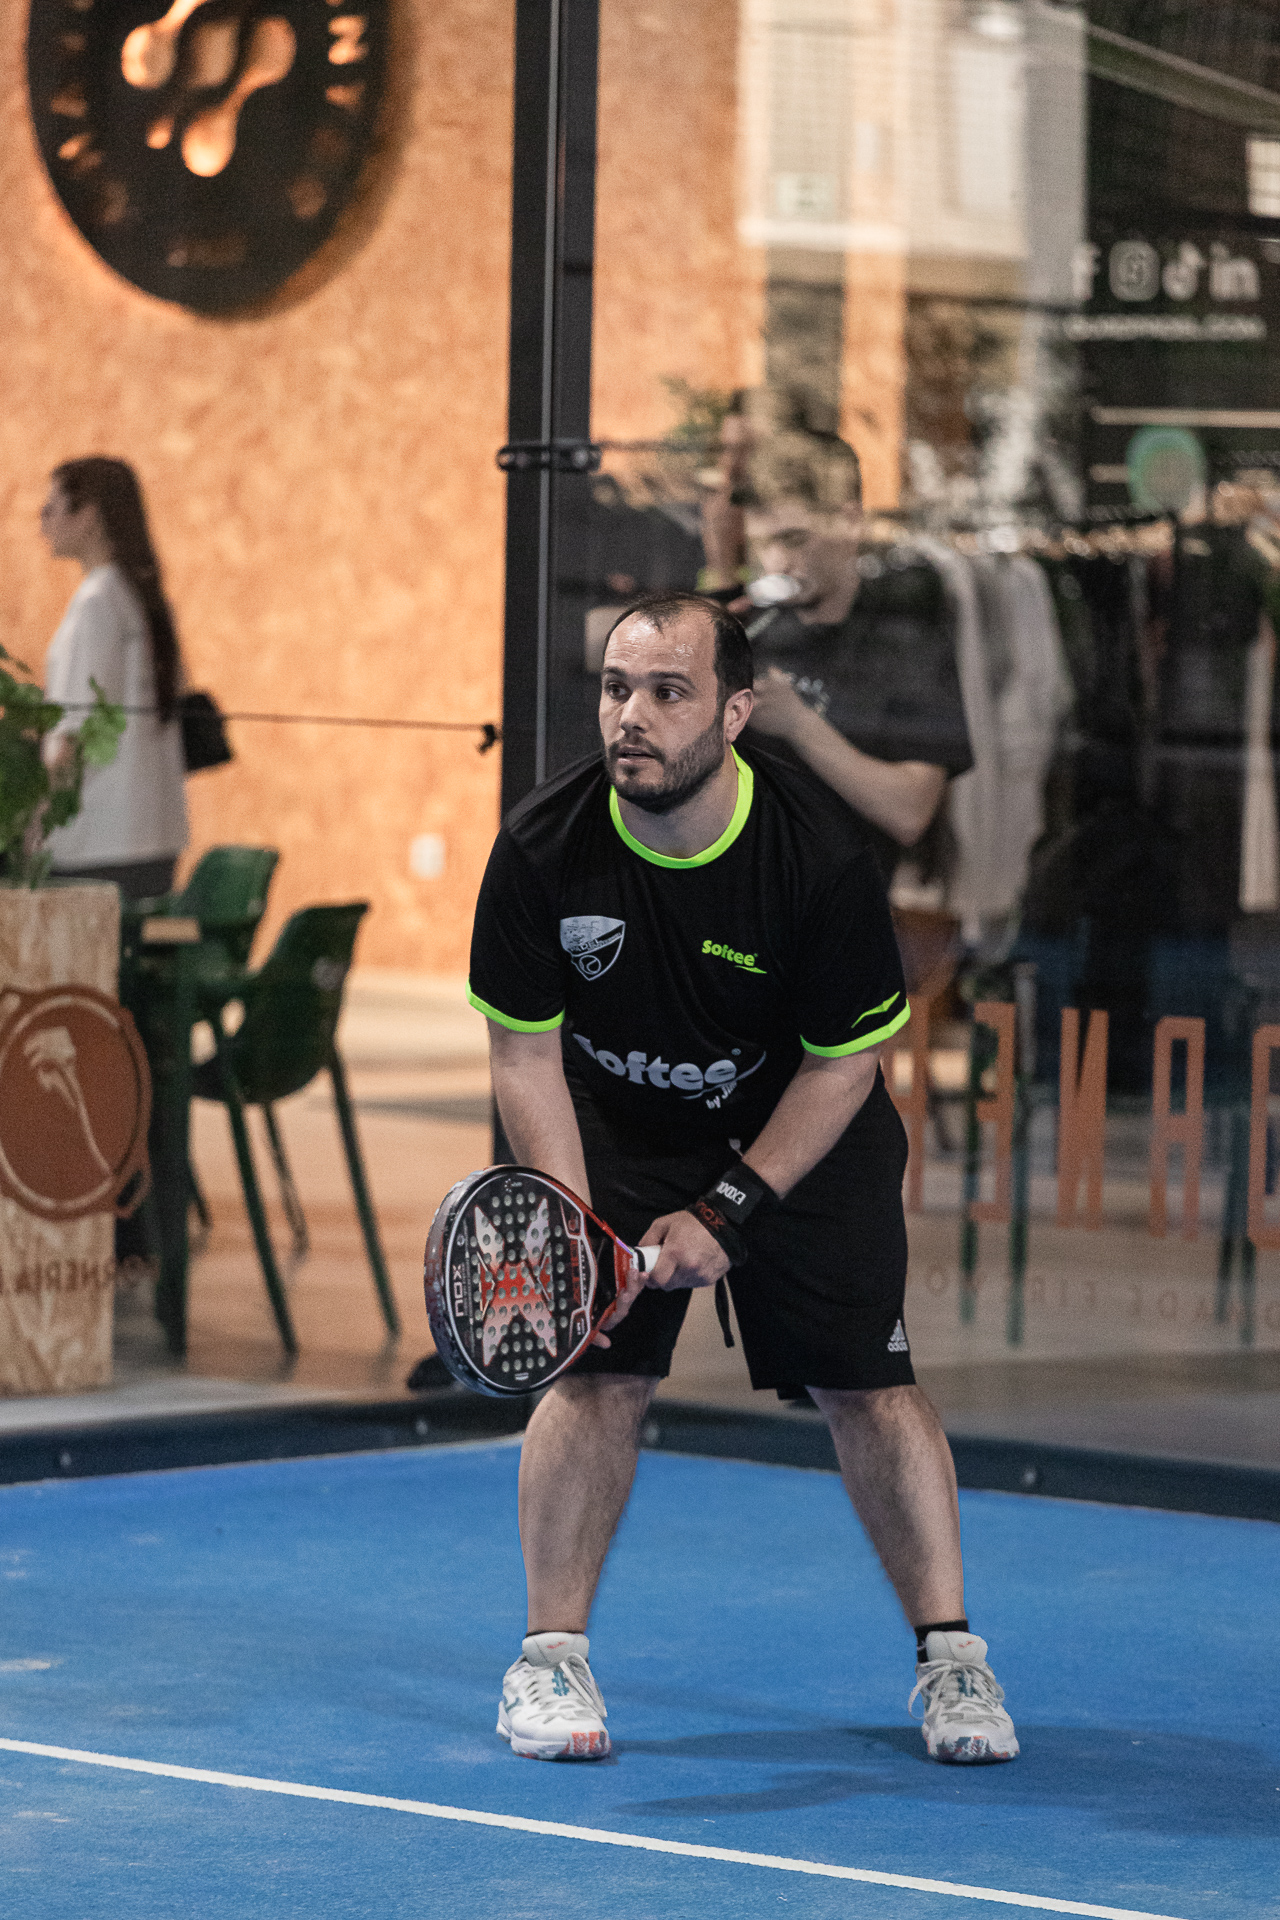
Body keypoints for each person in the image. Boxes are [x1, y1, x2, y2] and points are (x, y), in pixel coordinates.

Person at [467, 591, 1018, 1767]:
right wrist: (574, 1230)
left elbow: (845, 1061)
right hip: (617, 1118)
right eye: (617, 689)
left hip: (797, 1118)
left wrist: (730, 1207)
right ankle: (548, 1659)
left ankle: (951, 1662)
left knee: (866, 1385)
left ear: (733, 712)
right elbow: (522, 1056)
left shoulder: (816, 853)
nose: (631, 716)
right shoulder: (541, 846)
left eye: (667, 692)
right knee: (598, 1374)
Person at [704, 397, 972, 886]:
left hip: (841, 909)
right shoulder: (750, 625)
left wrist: (799, 724)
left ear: (848, 521)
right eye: (763, 543)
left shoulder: (903, 638)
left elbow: (911, 812)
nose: (777, 563)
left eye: (794, 539)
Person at [39, 457, 188, 901]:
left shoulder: (97, 601)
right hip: (152, 834)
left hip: (98, 838)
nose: (42, 522)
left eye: (50, 508)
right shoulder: (141, 597)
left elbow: (78, 730)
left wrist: (36, 816)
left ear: (88, 516)